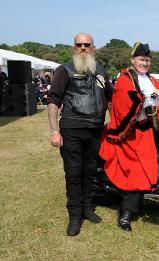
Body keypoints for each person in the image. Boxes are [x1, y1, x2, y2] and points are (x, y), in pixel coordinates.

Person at [99, 42, 159, 232]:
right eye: (142, 59)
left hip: (147, 130)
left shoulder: (151, 79)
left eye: (148, 60)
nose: (145, 63)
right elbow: (128, 101)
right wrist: (153, 97)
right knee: (136, 172)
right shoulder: (125, 78)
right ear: (133, 60)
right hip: (129, 132)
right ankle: (126, 212)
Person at [47, 33, 112, 236]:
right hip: (72, 129)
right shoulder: (64, 70)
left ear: (93, 47)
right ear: (74, 47)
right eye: (79, 44)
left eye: (87, 45)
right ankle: (75, 215)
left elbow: (110, 99)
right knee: (74, 173)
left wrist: (116, 123)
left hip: (95, 130)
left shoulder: (101, 71)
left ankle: (87, 208)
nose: (83, 48)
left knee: (90, 171)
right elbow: (53, 101)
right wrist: (54, 131)